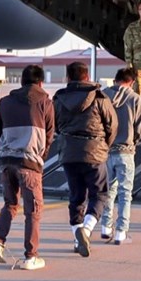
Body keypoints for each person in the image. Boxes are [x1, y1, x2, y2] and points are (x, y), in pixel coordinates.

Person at [0, 65, 54, 270]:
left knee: (10, 203)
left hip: (7, 160)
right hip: (30, 162)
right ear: (41, 82)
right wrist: (41, 156)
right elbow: (50, 134)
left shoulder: (5, 101)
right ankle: (31, 256)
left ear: (21, 81)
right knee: (33, 210)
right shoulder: (45, 101)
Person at [53, 61, 117, 257]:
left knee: (76, 196)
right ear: (87, 76)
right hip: (95, 152)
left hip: (69, 152)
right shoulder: (100, 97)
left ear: (68, 77)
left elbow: (54, 125)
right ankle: (86, 230)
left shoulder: (59, 98)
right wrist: (104, 145)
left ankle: (76, 236)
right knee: (99, 195)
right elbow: (112, 126)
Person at [99, 67, 141, 245]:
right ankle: (121, 232)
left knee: (108, 190)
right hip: (126, 150)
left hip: (105, 150)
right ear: (131, 81)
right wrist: (133, 141)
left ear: (115, 79)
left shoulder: (103, 96)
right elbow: (139, 127)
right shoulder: (135, 99)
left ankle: (105, 227)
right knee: (125, 193)